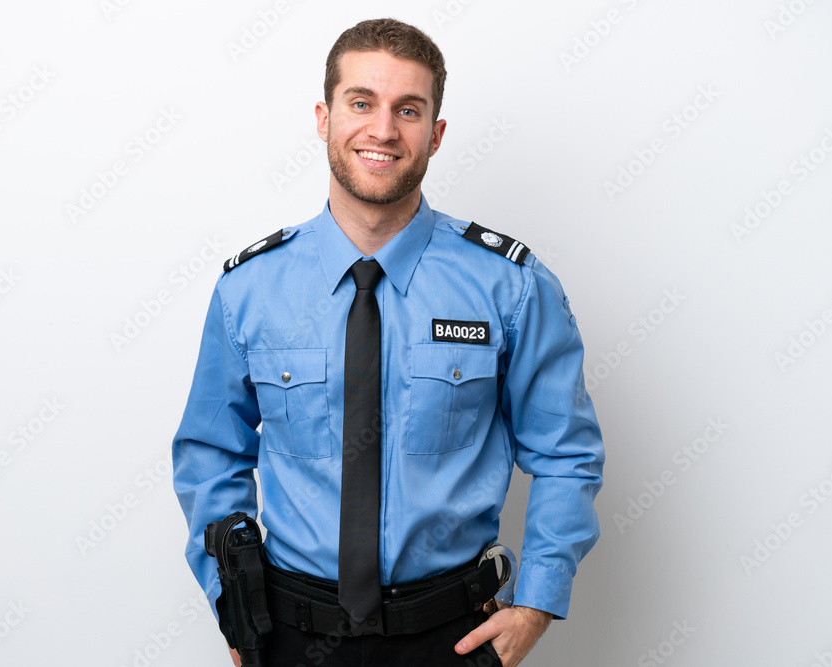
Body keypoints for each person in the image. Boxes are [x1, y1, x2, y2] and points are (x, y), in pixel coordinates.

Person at [172, 17, 604, 667]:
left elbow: (567, 452)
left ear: (435, 132)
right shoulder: (250, 289)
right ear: (324, 118)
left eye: (408, 109)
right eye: (361, 103)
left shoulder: (509, 286)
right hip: (290, 639)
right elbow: (209, 453)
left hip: (454, 638)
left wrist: (536, 604)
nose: (382, 129)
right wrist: (232, 603)